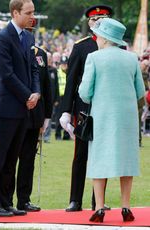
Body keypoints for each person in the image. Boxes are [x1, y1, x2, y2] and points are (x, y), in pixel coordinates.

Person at [79, 18, 145, 222]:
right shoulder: (132, 58)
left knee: (99, 159)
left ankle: (99, 207)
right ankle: (126, 207)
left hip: (102, 116)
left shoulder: (94, 58)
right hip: (127, 117)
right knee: (127, 160)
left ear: (105, 38)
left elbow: (84, 93)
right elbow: (140, 92)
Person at [0, 0, 40, 217]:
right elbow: (6, 75)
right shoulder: (2, 39)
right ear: (15, 13)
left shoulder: (28, 37)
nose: (32, 16)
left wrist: (36, 93)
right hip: (6, 108)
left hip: (23, 108)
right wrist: (28, 95)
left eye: (33, 12)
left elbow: (34, 68)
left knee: (12, 158)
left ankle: (6, 201)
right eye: (28, 12)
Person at [59, 4, 113, 211]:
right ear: (89, 23)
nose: (98, 23)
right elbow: (71, 80)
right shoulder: (81, 47)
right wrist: (65, 110)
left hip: (107, 107)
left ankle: (97, 200)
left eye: (102, 19)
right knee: (81, 154)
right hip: (84, 109)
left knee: (104, 154)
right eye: (94, 20)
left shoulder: (117, 46)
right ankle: (75, 199)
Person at [13, 18, 52, 212]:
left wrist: (46, 117)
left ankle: (24, 200)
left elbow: (46, 87)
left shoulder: (41, 55)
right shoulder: (10, 49)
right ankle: (5, 200)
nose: (29, 34)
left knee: (28, 161)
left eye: (31, 31)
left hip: (34, 115)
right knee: (9, 160)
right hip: (13, 113)